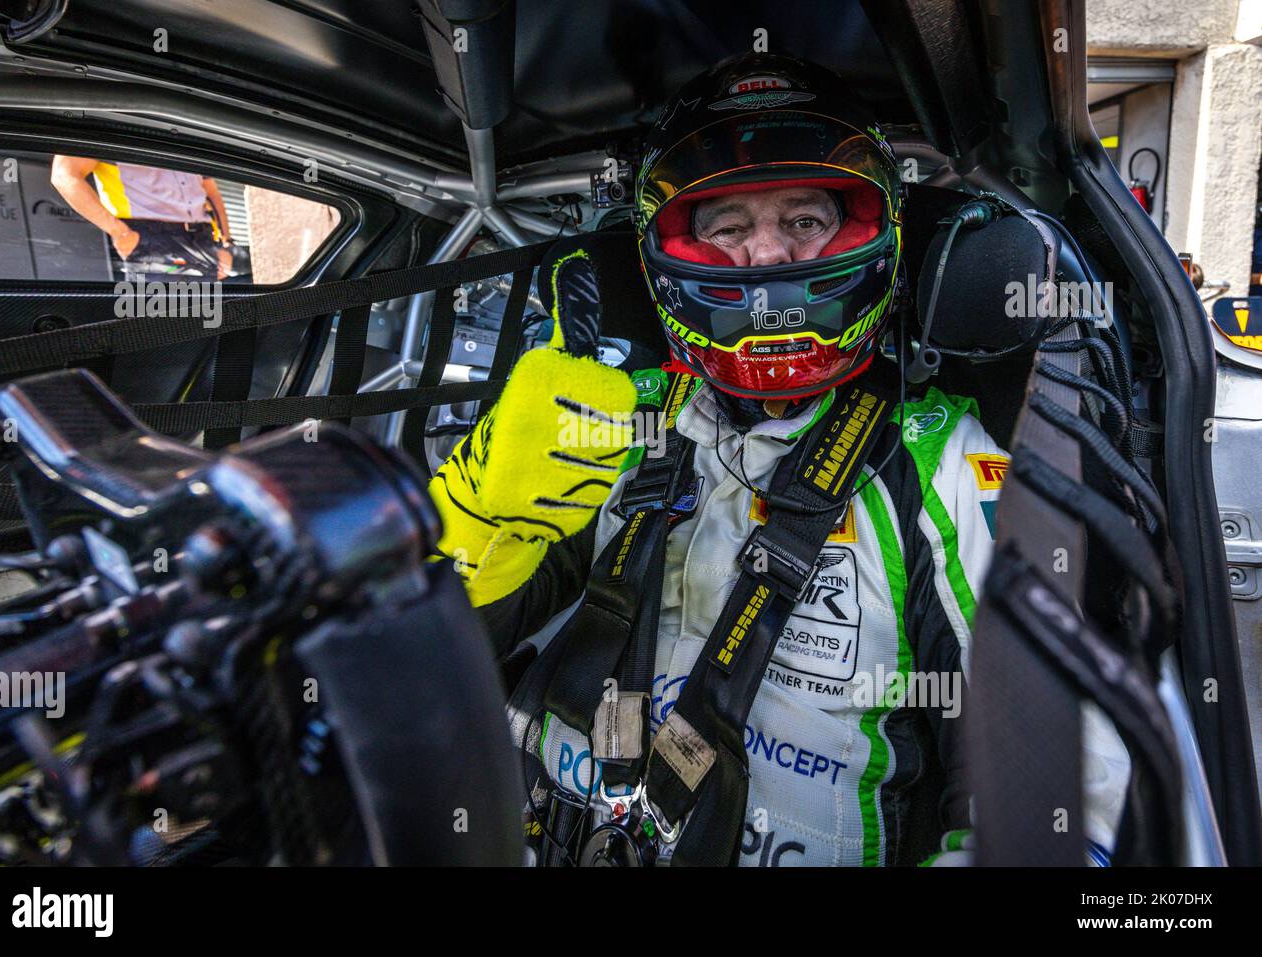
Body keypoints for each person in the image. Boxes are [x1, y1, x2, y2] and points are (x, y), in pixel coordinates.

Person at [431, 52, 1129, 866]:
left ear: (867, 233)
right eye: (726, 226)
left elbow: (1061, 786)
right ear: (672, 251)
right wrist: (486, 517)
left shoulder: (935, 460)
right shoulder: (611, 417)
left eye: (804, 220)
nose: (765, 258)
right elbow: (434, 652)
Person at [50, 156, 232, 280]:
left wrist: (225, 244)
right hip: (153, 240)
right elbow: (64, 175)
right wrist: (119, 233)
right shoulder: (109, 122)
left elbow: (211, 193)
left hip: (203, 238)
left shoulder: (181, 128)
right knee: (163, 325)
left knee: (206, 323)